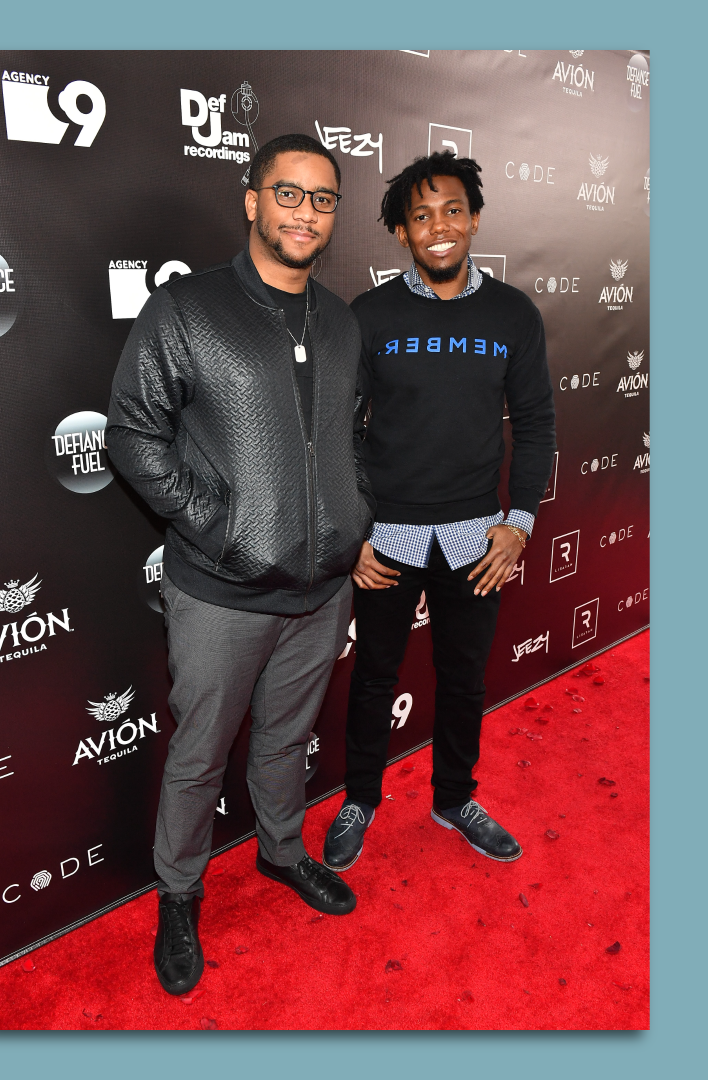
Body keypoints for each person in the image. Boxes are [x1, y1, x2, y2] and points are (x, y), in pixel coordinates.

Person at [107, 133, 372, 997]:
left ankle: (282, 852)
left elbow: (352, 439)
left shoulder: (341, 322)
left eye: (323, 198)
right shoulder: (188, 309)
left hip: (323, 590)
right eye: (288, 193)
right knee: (199, 754)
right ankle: (179, 892)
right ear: (254, 201)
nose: (306, 212)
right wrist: (218, 527)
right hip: (220, 592)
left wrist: (354, 517)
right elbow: (132, 433)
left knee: (286, 739)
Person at [322, 153, 556, 873]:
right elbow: (335, 431)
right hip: (385, 535)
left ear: (474, 219)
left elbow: (537, 423)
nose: (439, 227)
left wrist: (520, 522)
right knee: (373, 677)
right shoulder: (370, 315)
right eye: (420, 216)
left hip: (475, 537)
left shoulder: (513, 313)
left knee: (464, 678)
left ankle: (455, 798)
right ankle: (360, 798)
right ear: (401, 232)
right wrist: (352, 532)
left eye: (452, 210)